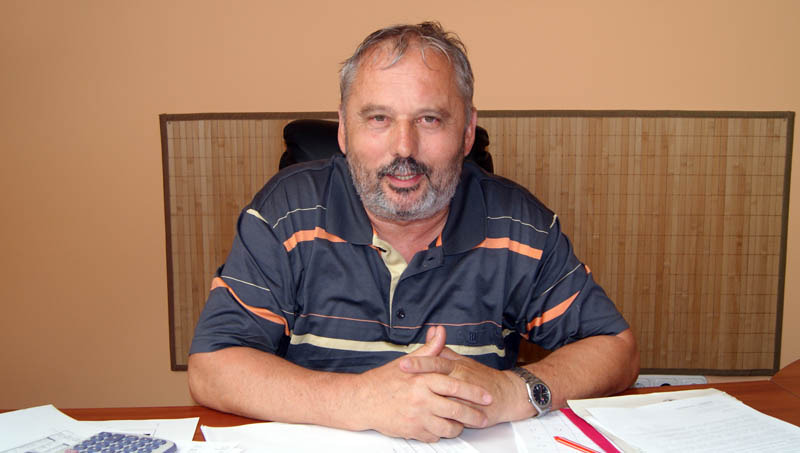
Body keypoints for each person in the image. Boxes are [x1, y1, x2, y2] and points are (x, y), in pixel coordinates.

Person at [188, 21, 639, 442]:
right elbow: (212, 367)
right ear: (343, 130)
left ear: (467, 132)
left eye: (429, 119)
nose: (404, 148)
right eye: (378, 118)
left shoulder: (519, 224)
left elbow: (616, 349)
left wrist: (513, 390)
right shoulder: (285, 212)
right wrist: (362, 399)